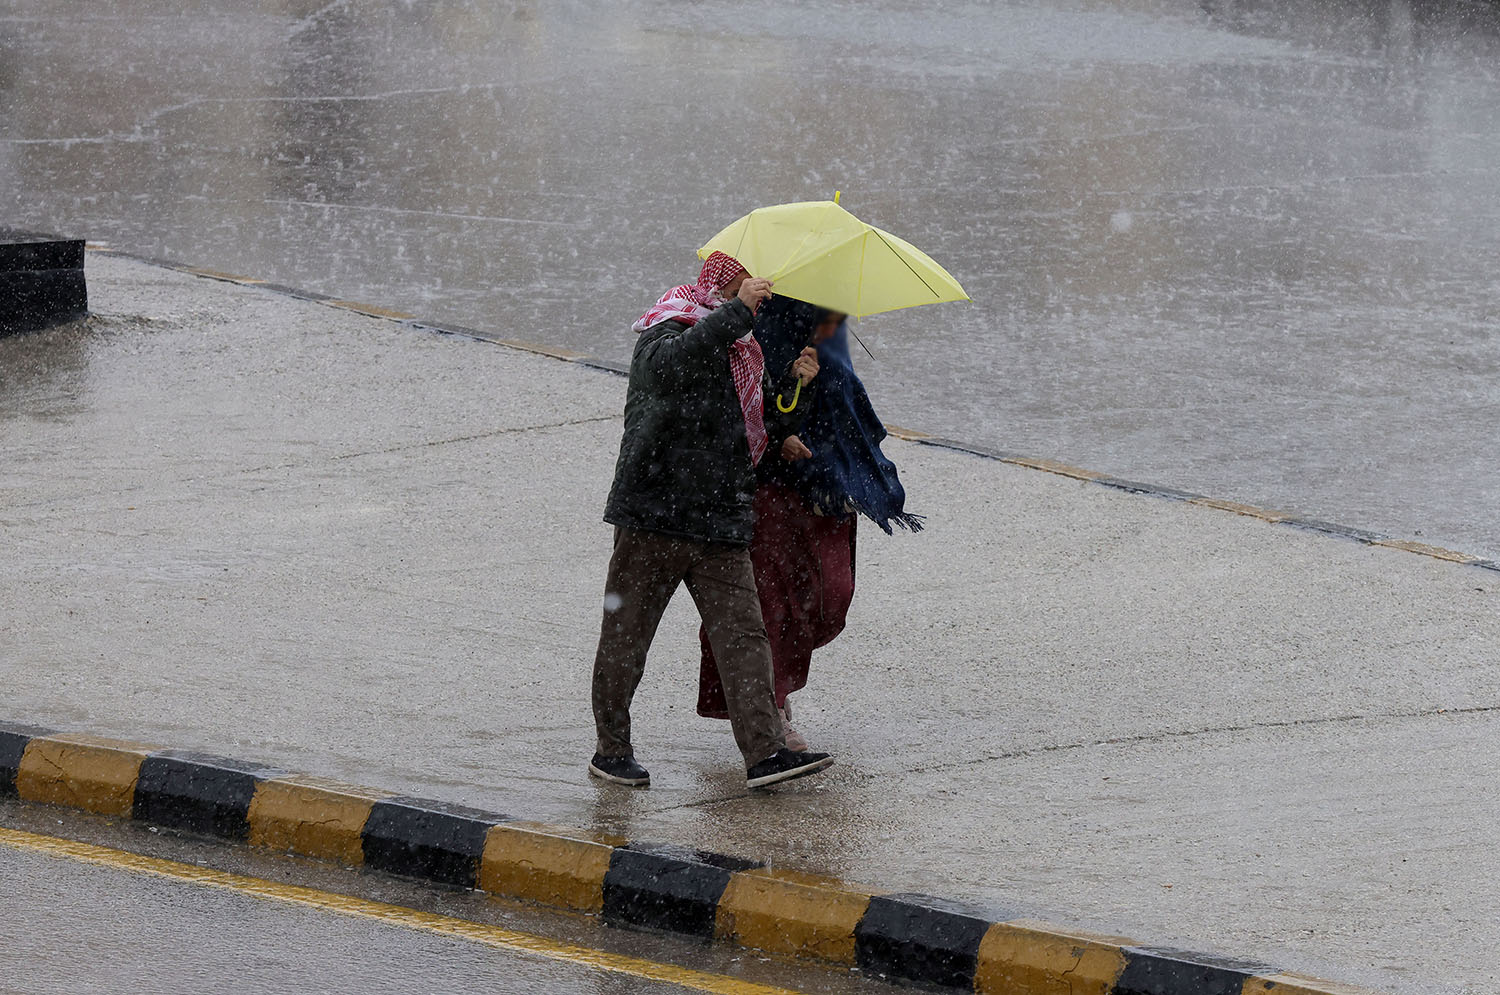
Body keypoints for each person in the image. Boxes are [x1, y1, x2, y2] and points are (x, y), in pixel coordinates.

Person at [589, 251, 834, 790]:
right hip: (654, 515)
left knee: (745, 638)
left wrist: (793, 394)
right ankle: (611, 750)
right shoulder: (667, 327)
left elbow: (752, 423)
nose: (756, 296)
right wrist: (735, 316)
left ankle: (765, 753)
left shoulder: (741, 351)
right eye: (744, 287)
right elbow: (672, 368)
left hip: (719, 522)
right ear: (721, 287)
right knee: (627, 637)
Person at [696, 296, 923, 750]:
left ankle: (771, 691)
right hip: (771, 487)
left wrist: (821, 395)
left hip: (827, 485)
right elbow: (744, 399)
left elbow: (845, 396)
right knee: (772, 601)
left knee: (827, 595)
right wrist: (785, 418)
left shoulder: (829, 313)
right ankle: (771, 706)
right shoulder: (756, 313)